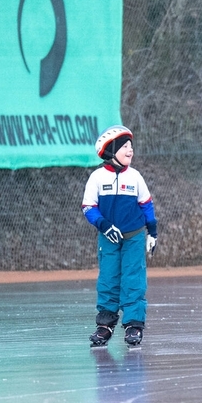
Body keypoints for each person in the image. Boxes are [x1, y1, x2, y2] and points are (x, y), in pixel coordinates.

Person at [81, 125, 158, 347]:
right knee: (108, 279)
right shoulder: (97, 177)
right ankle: (104, 325)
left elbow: (146, 205)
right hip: (109, 238)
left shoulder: (135, 177)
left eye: (131, 146)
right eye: (125, 146)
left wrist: (152, 231)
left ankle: (134, 324)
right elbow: (88, 207)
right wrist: (104, 226)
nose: (130, 150)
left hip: (134, 236)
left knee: (133, 278)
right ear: (110, 150)